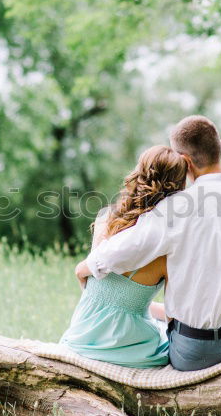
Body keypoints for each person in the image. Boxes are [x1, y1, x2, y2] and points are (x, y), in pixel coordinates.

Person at [75, 115, 221, 371]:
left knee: (158, 332)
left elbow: (124, 249)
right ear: (219, 146)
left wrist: (86, 267)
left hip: (196, 351)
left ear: (186, 162)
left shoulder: (174, 209)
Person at [59, 145, 187, 367]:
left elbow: (92, 284)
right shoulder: (166, 248)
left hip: (84, 337)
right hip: (135, 349)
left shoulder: (107, 219)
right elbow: (173, 314)